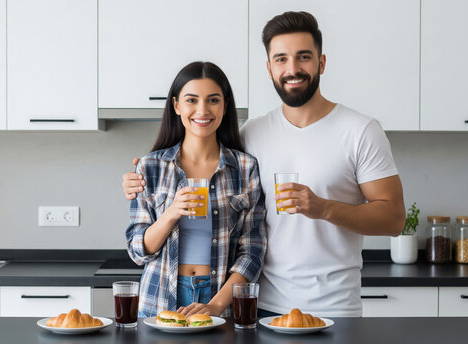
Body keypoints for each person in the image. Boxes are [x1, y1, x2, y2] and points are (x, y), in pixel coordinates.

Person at [122, 12, 405, 318]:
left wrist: (322, 208)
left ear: (321, 63)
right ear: (269, 68)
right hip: (262, 306)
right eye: (281, 59)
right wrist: (140, 177)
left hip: (335, 306)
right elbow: (199, 155)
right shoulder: (252, 135)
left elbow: (394, 220)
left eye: (304, 57)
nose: (292, 69)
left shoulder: (360, 131)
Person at [125, 61, 267, 318]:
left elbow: (253, 251)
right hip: (159, 297)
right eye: (192, 100)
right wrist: (170, 213)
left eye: (213, 100)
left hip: (220, 298)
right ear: (177, 105)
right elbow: (137, 250)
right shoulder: (150, 166)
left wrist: (216, 305)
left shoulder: (245, 167)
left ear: (224, 106)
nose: (202, 110)